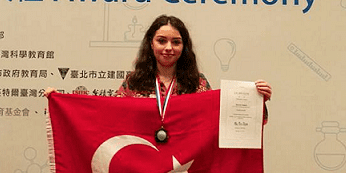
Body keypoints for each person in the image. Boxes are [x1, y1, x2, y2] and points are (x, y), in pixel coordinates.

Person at [44, 15, 272, 120]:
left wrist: (256, 101)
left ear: (184, 47)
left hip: (185, 166)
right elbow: (108, 115)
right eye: (162, 41)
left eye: (176, 42)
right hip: (143, 164)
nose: (168, 48)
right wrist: (61, 102)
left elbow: (219, 119)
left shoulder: (197, 82)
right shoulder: (134, 81)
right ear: (151, 44)